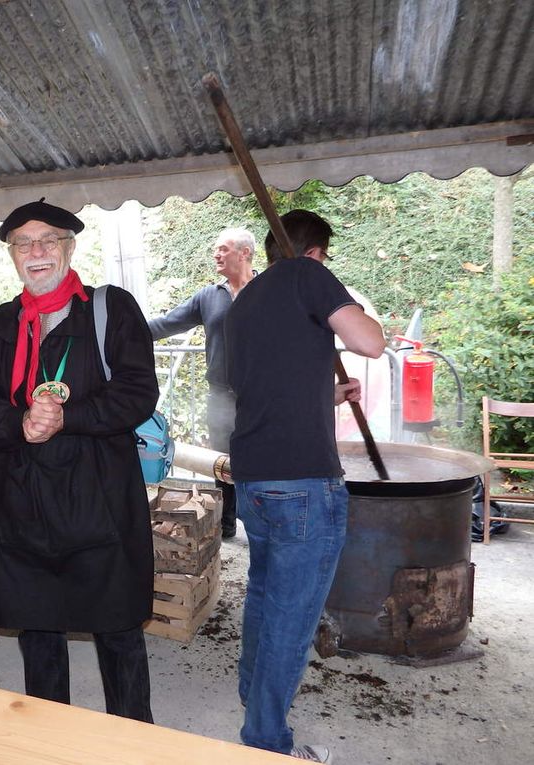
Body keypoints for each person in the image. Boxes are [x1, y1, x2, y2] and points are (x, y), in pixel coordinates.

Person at [0, 199, 159, 722]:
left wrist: (66, 419)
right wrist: (18, 424)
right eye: (23, 243)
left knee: (118, 631)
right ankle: (49, 739)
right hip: (25, 506)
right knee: (39, 633)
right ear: (11, 256)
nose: (37, 251)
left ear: (70, 247)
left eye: (49, 239)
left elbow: (139, 393)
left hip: (100, 501)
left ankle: (136, 743)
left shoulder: (110, 309)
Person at [224, 209, 386, 762]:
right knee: (293, 618)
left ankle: (252, 697)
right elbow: (370, 342)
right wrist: (351, 307)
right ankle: (265, 741)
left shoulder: (245, 301)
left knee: (266, 595)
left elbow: (266, 387)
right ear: (316, 251)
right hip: (303, 482)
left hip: (254, 476)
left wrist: (328, 395)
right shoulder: (309, 275)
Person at [148, 227, 256, 538]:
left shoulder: (268, 290)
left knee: (261, 458)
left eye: (223, 249)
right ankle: (226, 524)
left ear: (244, 253)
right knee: (224, 461)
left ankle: (262, 524)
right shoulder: (209, 296)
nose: (216, 254)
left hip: (262, 396)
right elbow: (166, 323)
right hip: (220, 395)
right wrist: (124, 328)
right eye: (216, 249)